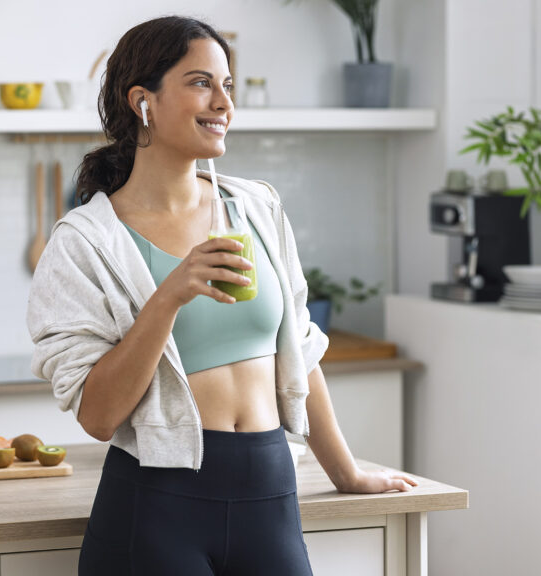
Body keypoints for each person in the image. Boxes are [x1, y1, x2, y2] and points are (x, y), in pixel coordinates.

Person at [27, 15, 418, 576]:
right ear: (144, 101)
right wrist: (169, 296)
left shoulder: (257, 207)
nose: (222, 103)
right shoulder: (86, 242)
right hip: (157, 508)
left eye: (227, 85)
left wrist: (348, 474)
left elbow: (299, 354)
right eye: (200, 82)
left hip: (270, 494)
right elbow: (98, 415)